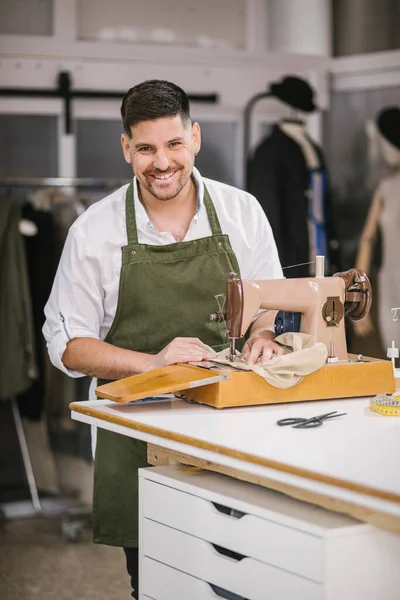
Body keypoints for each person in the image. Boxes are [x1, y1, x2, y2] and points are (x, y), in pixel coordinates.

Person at [43, 79, 284, 598]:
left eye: (173, 144)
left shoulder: (242, 211)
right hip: (140, 438)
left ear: (194, 138)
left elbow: (268, 300)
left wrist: (264, 333)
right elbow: (68, 347)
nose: (162, 162)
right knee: (160, 582)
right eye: (146, 148)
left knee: (245, 575)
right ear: (126, 148)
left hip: (234, 428)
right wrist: (154, 362)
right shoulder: (94, 231)